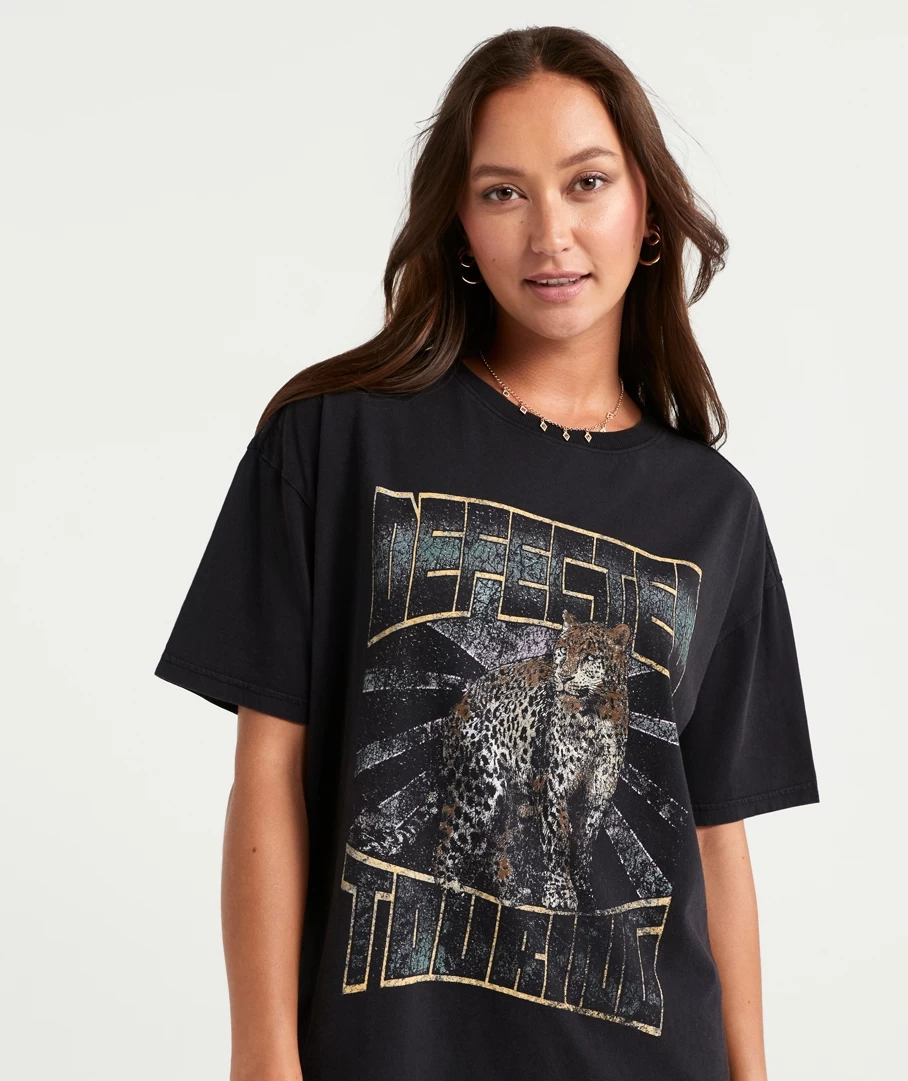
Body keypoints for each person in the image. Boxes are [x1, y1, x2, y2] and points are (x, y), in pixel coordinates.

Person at [153, 25, 820, 1081]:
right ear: (459, 226)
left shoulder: (713, 511)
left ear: (646, 211)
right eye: (503, 192)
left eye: (586, 182)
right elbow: (268, 771)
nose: (550, 233)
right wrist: (262, 1055)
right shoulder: (335, 441)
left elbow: (713, 838)